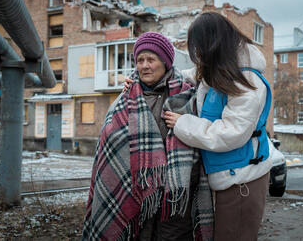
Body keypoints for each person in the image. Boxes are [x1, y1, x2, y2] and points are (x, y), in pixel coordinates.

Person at [82, 31, 214, 241]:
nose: (144, 66)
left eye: (151, 59)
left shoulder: (188, 94)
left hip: (177, 196)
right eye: (140, 60)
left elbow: (201, 136)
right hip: (136, 194)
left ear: (165, 62)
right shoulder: (126, 98)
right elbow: (109, 144)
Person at [164, 12, 273, 241]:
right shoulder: (220, 72)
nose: (199, 56)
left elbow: (231, 133)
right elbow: (185, 76)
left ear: (214, 44)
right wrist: (148, 77)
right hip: (230, 176)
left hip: (243, 179)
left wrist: (183, 123)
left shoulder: (247, 81)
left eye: (200, 48)